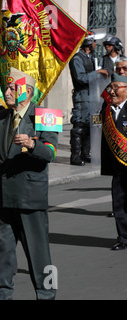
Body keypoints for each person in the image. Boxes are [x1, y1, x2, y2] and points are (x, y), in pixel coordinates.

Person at [0, 67, 58, 300]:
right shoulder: (0, 117)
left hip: (30, 196)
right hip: (1, 196)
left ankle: (47, 294)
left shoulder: (45, 114)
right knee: (1, 251)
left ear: (28, 91)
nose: (7, 91)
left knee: (39, 253)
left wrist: (34, 146)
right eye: (7, 87)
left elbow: (50, 152)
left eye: (13, 87)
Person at [69, 36, 109, 166]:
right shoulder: (77, 59)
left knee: (90, 126)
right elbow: (81, 78)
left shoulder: (90, 59)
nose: (95, 45)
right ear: (88, 44)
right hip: (82, 98)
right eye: (94, 43)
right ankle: (75, 156)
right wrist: (97, 73)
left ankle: (85, 153)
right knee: (79, 126)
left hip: (92, 96)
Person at [100, 73, 127, 251]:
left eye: (116, 87)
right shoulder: (107, 109)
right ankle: (123, 238)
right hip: (118, 167)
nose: (112, 92)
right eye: (110, 88)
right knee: (119, 204)